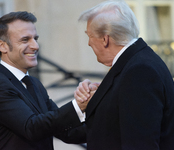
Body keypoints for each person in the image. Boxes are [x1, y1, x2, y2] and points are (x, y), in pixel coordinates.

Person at [0, 11, 90, 150]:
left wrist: (103, 111)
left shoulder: (34, 83)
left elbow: (67, 132)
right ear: (2, 46)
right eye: (25, 40)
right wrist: (78, 106)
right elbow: (32, 128)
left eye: (35, 38)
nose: (35, 46)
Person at [74, 0, 174, 149]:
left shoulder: (139, 71)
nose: (88, 43)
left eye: (89, 35)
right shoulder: (135, 63)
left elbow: (140, 145)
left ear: (105, 39)